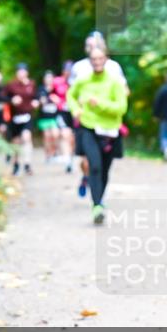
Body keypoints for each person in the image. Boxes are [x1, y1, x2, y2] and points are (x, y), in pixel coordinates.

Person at [67, 44, 128, 225]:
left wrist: (99, 103)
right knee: (94, 166)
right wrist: (75, 110)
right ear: (90, 61)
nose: (97, 62)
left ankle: (100, 200)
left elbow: (121, 108)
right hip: (88, 127)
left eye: (100, 58)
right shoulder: (83, 80)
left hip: (110, 131)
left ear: (106, 59)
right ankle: (97, 206)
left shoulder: (115, 82)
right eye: (93, 59)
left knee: (105, 170)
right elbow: (70, 95)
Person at [3, 63, 39, 176]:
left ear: (27, 72)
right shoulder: (11, 85)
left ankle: (27, 164)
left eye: (23, 71)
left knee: (26, 137)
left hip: (27, 116)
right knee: (16, 142)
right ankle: (16, 164)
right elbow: (2, 97)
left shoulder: (31, 84)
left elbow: (37, 96)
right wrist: (11, 100)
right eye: (19, 71)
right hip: (14, 118)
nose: (21, 73)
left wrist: (36, 102)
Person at [51, 61, 75, 172]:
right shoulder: (57, 81)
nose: (68, 73)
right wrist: (54, 98)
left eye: (70, 70)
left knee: (72, 138)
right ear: (63, 71)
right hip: (62, 112)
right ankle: (67, 160)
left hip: (74, 112)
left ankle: (71, 158)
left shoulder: (77, 82)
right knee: (65, 134)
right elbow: (50, 92)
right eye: (67, 70)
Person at [36, 71, 62, 162]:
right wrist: (41, 101)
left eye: (50, 77)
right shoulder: (41, 89)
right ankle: (48, 155)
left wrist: (57, 100)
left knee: (55, 134)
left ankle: (54, 151)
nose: (49, 80)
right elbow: (38, 101)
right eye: (47, 78)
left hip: (54, 117)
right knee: (47, 136)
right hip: (44, 117)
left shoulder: (56, 89)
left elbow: (61, 100)